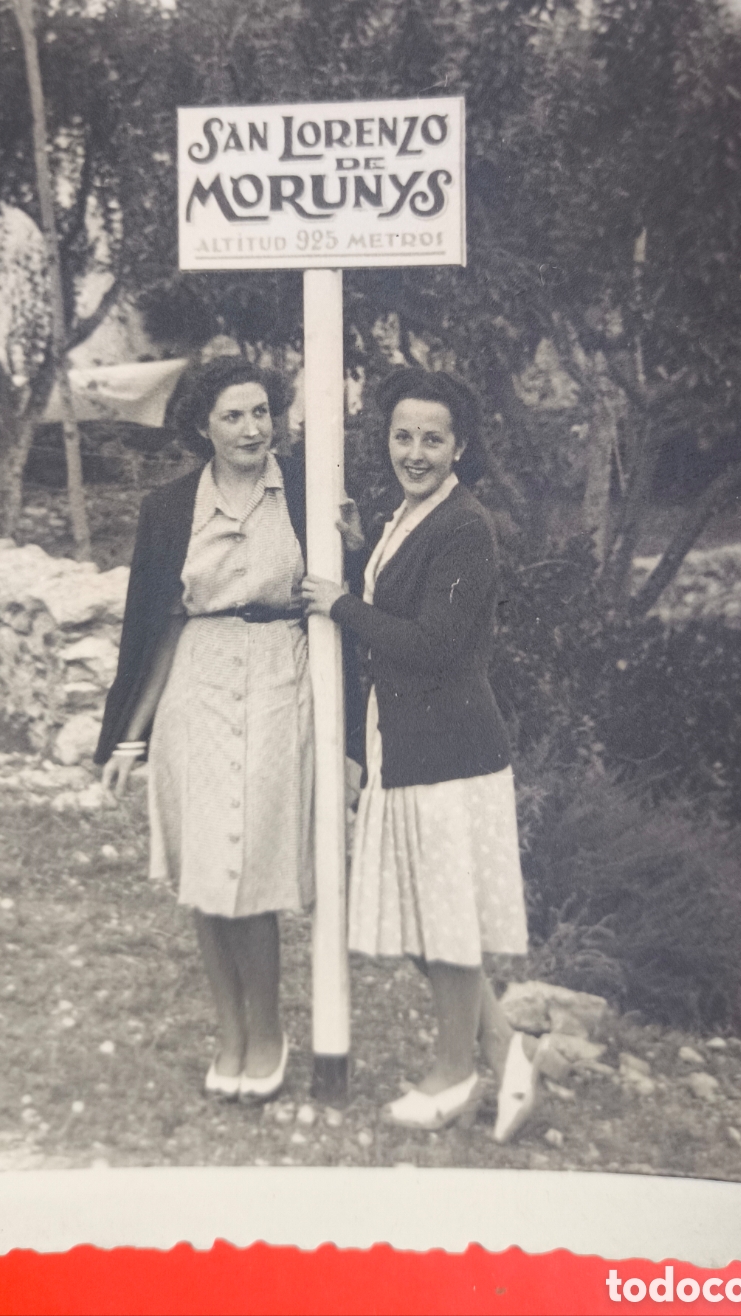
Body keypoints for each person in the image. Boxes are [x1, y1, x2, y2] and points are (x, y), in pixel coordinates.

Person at [302, 367, 536, 1140]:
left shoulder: (465, 523)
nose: (415, 450)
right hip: (408, 746)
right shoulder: (413, 513)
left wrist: (339, 605)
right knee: (428, 921)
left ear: (459, 446)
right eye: (403, 435)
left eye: (433, 438)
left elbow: (434, 645)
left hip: (450, 756)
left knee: (441, 925)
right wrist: (366, 548)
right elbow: (415, 596)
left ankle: (455, 1075)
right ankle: (506, 1051)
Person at [96, 356, 313, 1104]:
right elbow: (155, 625)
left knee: (249, 867)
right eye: (233, 416)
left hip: (282, 677)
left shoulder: (312, 493)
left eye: (261, 412)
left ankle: (269, 1030)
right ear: (203, 427)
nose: (252, 429)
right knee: (202, 872)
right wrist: (131, 734)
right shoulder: (170, 507)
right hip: (198, 680)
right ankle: (231, 1033)